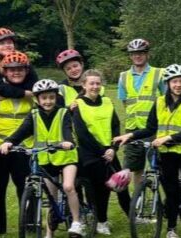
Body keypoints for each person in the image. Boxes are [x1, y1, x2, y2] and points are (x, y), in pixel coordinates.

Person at [112, 64, 181, 238]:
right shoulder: (160, 102)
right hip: (166, 155)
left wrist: (168, 138)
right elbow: (150, 129)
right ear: (168, 83)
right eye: (174, 82)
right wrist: (130, 135)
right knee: (171, 193)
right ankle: (171, 228)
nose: (178, 85)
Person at [0, 80, 85, 236]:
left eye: (51, 97)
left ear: (56, 98)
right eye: (44, 98)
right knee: (51, 197)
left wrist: (68, 142)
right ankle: (49, 233)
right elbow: (22, 131)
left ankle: (77, 222)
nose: (48, 101)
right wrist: (8, 142)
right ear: (37, 99)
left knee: (68, 186)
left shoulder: (63, 112)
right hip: (46, 159)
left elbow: (67, 130)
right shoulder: (34, 114)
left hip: (66, 157)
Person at [0, 51, 36, 237]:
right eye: (12, 70)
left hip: (23, 147)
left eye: (20, 69)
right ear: (4, 71)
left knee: (26, 185)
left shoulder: (33, 91)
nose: (16, 73)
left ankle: (30, 221)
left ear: (26, 71)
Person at [69, 70, 130, 235]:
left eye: (98, 83)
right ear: (84, 85)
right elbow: (82, 134)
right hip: (90, 154)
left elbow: (116, 126)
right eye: (91, 83)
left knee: (121, 183)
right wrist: (103, 151)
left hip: (109, 150)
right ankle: (101, 221)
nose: (95, 87)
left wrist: (113, 148)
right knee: (101, 190)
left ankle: (132, 217)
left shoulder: (108, 102)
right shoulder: (78, 104)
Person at [117, 38, 165, 191]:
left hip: (154, 129)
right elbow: (125, 101)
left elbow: (166, 99)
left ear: (147, 54)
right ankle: (139, 200)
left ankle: (167, 199)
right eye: (134, 53)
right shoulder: (123, 76)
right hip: (133, 129)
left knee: (160, 166)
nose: (138, 56)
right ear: (130, 56)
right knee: (136, 168)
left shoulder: (159, 73)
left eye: (141, 53)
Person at [0, 28, 40, 105]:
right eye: (2, 43)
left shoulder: (21, 58)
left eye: (9, 42)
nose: (7, 45)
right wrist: (23, 93)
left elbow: (33, 82)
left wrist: (10, 94)